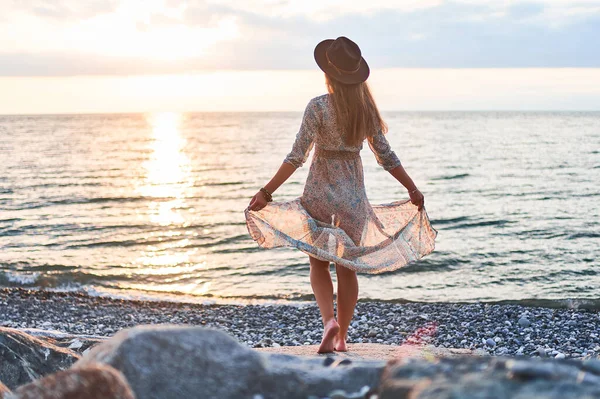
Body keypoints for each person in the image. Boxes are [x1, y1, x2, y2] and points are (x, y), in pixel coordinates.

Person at [245, 37, 436, 353]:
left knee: (318, 265)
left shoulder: (318, 106)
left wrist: (266, 192)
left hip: (318, 191)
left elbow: (296, 156)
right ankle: (343, 337)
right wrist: (411, 189)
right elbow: (386, 156)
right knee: (346, 268)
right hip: (352, 196)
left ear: (329, 74)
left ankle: (328, 323)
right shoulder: (365, 110)